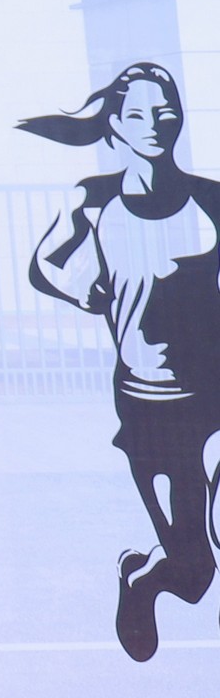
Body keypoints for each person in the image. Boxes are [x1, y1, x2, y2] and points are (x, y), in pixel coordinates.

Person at [23, 64, 220, 663]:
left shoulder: (212, 199)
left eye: (165, 113)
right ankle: (142, 577)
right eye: (137, 114)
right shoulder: (95, 199)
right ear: (114, 125)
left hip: (214, 394)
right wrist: (84, 292)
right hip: (148, 400)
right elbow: (45, 265)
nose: (154, 125)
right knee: (193, 575)